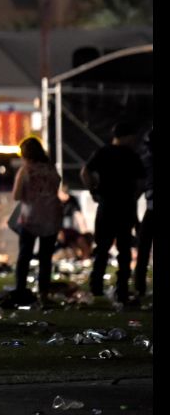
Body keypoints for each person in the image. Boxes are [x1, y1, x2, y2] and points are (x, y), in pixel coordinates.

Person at [81, 121, 144, 303]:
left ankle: (96, 286)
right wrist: (134, 196)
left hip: (106, 205)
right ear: (127, 136)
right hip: (125, 207)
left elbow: (85, 172)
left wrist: (93, 190)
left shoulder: (103, 152)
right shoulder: (132, 156)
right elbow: (140, 182)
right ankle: (122, 289)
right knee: (124, 250)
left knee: (102, 248)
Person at [11, 136, 62, 305]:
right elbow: (56, 186)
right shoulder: (50, 168)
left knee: (24, 256)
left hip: (30, 217)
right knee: (46, 258)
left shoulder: (25, 170)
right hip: (51, 216)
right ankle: (44, 294)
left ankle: (20, 290)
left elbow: (16, 195)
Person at [133, 129, 153, 298]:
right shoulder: (145, 161)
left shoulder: (146, 160)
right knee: (143, 247)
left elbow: (139, 187)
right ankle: (139, 285)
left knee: (143, 248)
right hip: (150, 208)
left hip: (151, 209)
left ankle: (139, 286)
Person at [55, 183, 93, 260]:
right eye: (64, 195)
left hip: (69, 230)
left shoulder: (71, 201)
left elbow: (79, 216)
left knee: (82, 240)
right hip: (56, 231)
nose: (66, 197)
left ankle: (85, 259)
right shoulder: (54, 202)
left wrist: (84, 231)